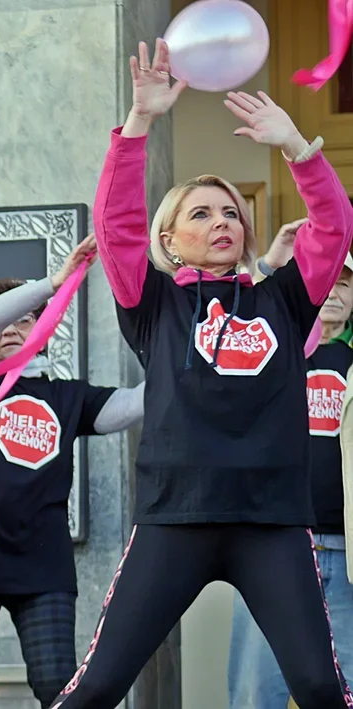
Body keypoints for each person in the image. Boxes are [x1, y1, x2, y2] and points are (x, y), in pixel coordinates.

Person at [48, 39, 353, 708]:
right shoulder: (154, 302)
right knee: (96, 686)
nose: (221, 221)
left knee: (319, 686)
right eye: (201, 213)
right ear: (169, 238)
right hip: (175, 519)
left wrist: (299, 149)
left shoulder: (284, 297)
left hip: (271, 521)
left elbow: (334, 226)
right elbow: (116, 224)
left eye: (230, 213)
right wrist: (138, 126)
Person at [0, 238, 145, 709]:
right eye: (3, 317)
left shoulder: (67, 397)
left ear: (44, 326)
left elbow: (131, 405)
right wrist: (52, 283)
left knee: (57, 688)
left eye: (24, 318)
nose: (9, 326)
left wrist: (186, 361)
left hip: (42, 566)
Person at [228, 237, 353, 708]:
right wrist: (267, 269)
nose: (335, 291)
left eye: (346, 283)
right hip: (276, 542)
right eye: (328, 280)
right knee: (254, 689)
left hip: (347, 553)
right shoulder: (266, 350)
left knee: (345, 689)